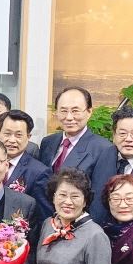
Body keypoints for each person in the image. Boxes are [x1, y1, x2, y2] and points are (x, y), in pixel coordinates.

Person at [36, 87, 114, 222]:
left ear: (89, 112)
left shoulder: (103, 148)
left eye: (75, 111)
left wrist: (84, 229)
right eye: (63, 111)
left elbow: (99, 201)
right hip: (47, 222)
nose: (69, 117)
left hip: (78, 225)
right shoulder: (48, 142)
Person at [0, 109, 50, 218]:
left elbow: (43, 215)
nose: (12, 140)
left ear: (28, 137)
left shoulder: (39, 172)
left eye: (18, 135)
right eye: (7, 134)